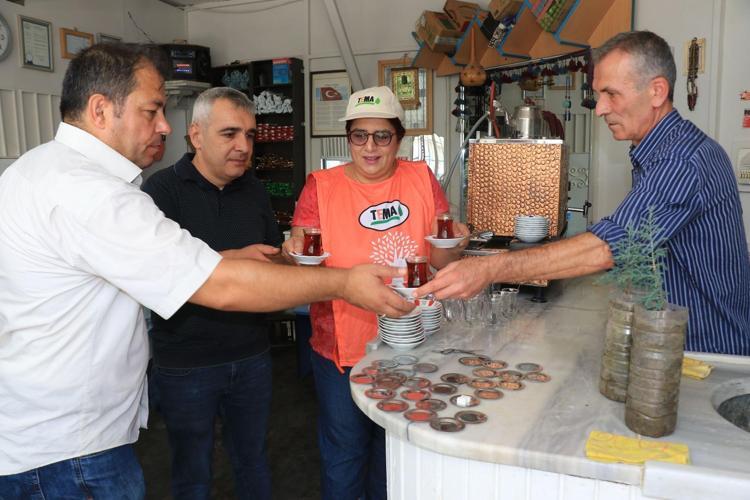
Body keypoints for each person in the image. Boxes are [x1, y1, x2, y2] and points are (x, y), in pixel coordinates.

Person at [0, 44, 413, 498]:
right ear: (100, 110)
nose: (164, 125)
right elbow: (218, 285)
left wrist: (251, 259)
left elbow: (184, 266)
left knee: (250, 459)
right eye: (152, 110)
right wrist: (345, 282)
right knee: (193, 471)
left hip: (49, 435)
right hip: (68, 450)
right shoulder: (92, 193)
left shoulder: (36, 169)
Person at [417, 30, 750, 356]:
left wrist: (488, 268)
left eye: (611, 94)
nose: (600, 108)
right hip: (679, 342)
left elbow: (607, 248)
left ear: (657, 91)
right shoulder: (661, 152)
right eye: (599, 94)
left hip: (709, 351)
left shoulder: (680, 160)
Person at [282, 86, 468, 500]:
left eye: (382, 135)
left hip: (413, 342)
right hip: (341, 347)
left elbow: (440, 261)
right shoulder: (321, 186)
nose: (370, 147)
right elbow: (304, 261)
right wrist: (293, 252)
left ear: (398, 139)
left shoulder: (420, 178)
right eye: (359, 135)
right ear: (348, 138)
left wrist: (453, 244)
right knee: (345, 455)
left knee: (396, 455)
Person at [141, 87, 280, 499]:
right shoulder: (160, 191)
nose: (243, 146)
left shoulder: (255, 189)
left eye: (250, 135)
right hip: (186, 362)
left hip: (252, 355)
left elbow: (270, 257)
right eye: (230, 133)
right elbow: (157, 273)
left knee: (253, 462)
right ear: (196, 135)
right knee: (192, 474)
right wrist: (236, 258)